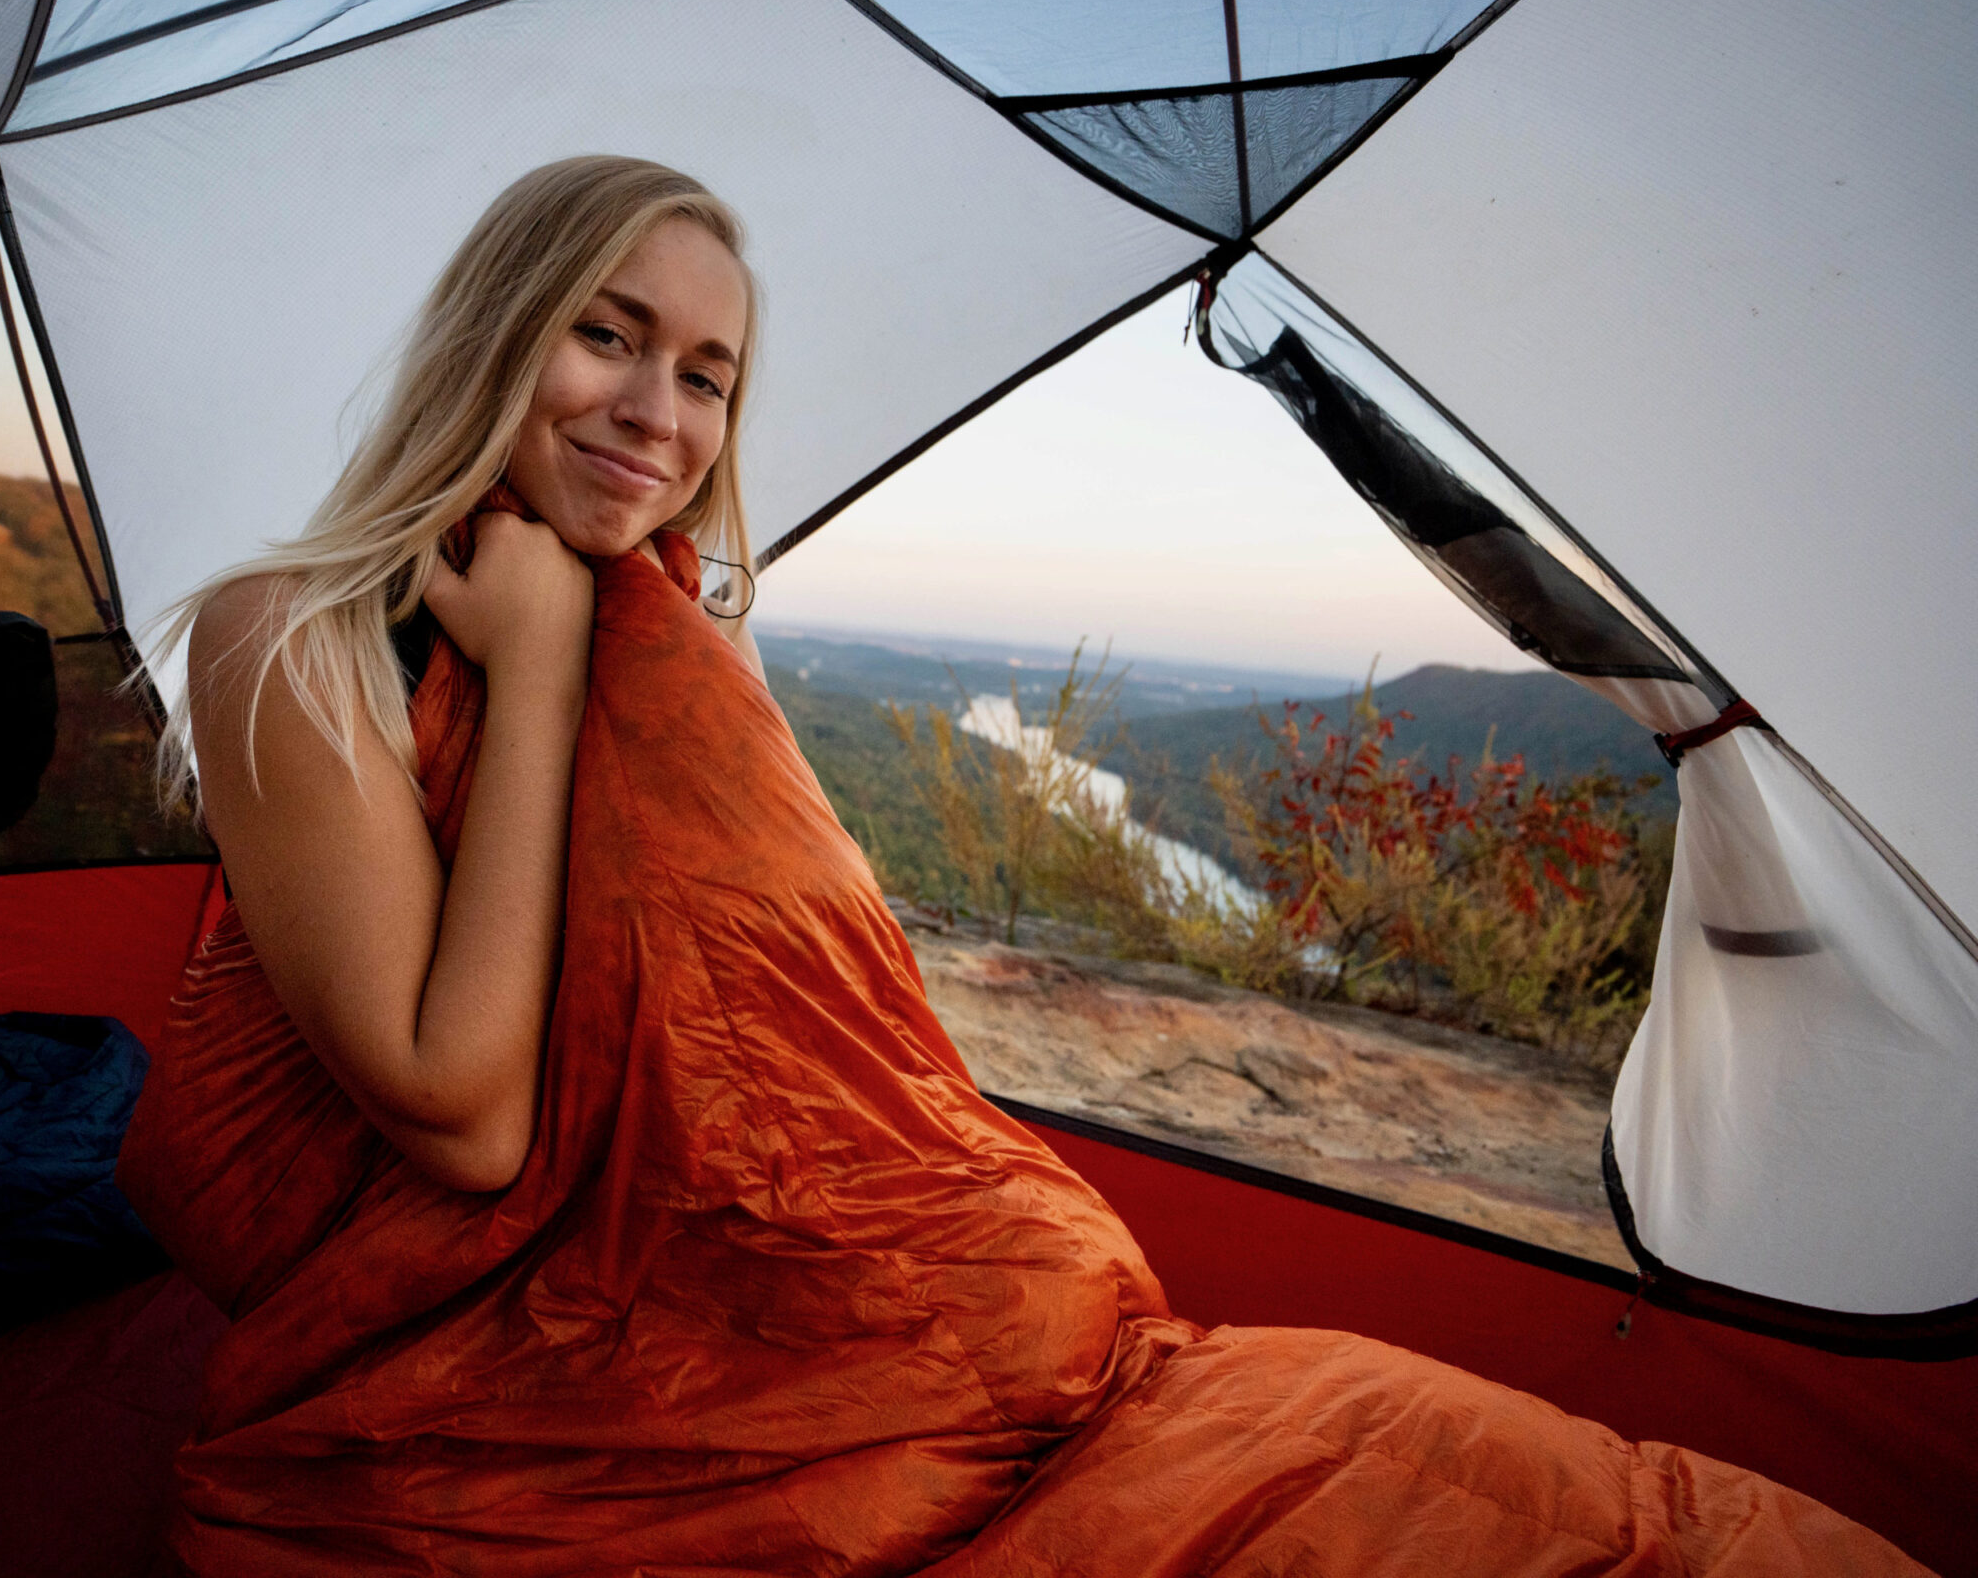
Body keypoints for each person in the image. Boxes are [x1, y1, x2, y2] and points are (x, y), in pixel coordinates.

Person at [117, 156, 1924, 1576]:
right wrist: (540, 672)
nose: (657, 413)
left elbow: (795, 1060)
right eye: (606, 335)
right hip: (534, 1417)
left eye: (709, 375)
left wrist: (578, 650)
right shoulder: (297, 630)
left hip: (861, 1342)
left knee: (1463, 1481)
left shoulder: (664, 643)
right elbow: (461, 1114)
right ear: (495, 330)